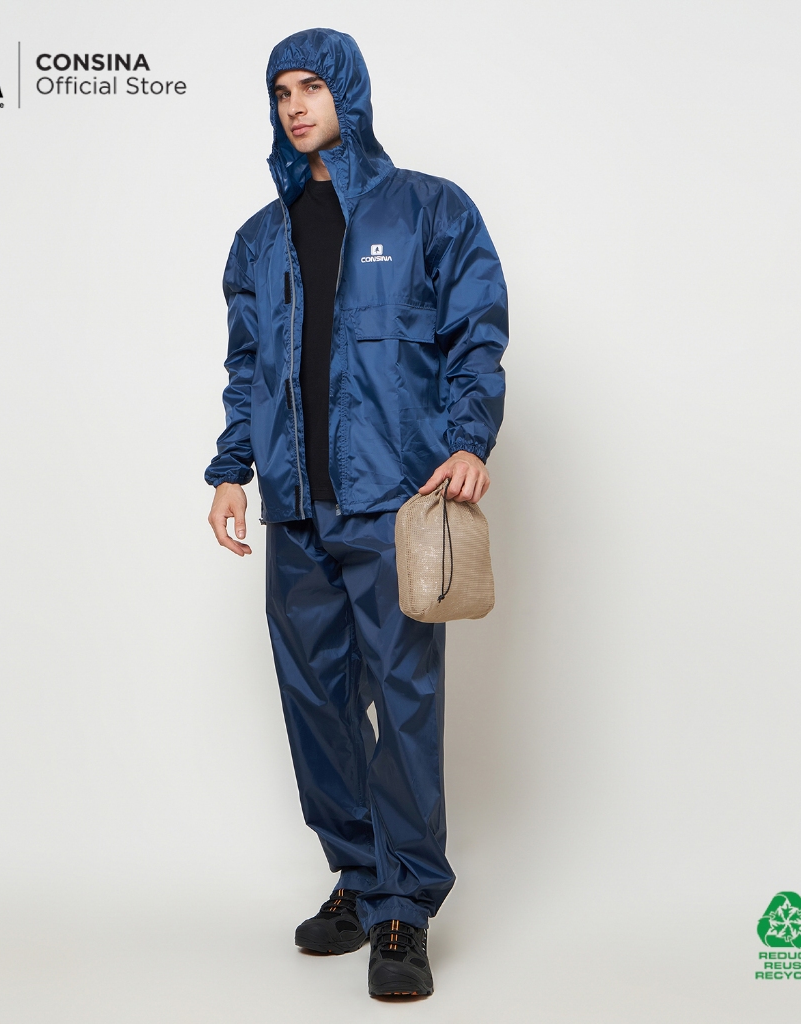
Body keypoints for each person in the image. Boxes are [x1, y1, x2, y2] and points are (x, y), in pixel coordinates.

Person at [205, 27, 508, 998]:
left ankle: (404, 906)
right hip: (296, 505)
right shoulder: (258, 239)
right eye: (279, 91)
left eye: (310, 87)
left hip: (396, 502)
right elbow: (247, 366)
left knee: (404, 699)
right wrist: (230, 469)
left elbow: (475, 333)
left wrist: (469, 437)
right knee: (315, 702)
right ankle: (360, 872)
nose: (294, 105)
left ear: (348, 90)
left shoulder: (429, 210)